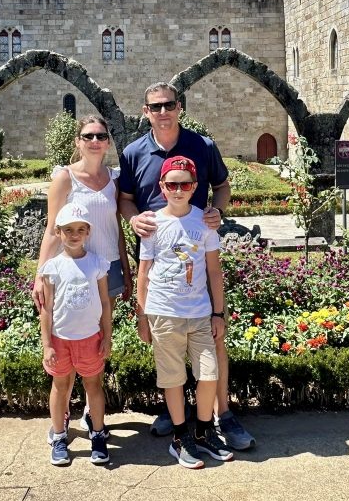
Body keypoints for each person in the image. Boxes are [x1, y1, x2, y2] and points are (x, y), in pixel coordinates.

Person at [119, 82, 256, 450]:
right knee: (168, 339)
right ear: (145, 111)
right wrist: (132, 220)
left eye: (168, 105)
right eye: (155, 106)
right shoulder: (134, 152)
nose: (162, 111)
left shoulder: (203, 146)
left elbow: (223, 187)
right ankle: (175, 413)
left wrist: (218, 210)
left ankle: (222, 414)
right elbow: (126, 199)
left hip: (198, 249)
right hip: (156, 252)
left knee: (212, 333)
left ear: (179, 107)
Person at [33, 115, 131, 441]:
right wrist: (39, 276)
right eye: (88, 135)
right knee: (67, 338)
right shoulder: (64, 178)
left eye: (100, 135)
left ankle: (91, 413)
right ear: (78, 141)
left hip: (107, 268)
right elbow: (51, 229)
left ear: (107, 141)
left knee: (95, 340)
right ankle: (62, 411)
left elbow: (117, 228)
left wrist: (127, 269)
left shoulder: (115, 178)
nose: (94, 141)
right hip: (70, 270)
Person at [136, 156, 233, 468]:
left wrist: (218, 314)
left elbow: (215, 272)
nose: (178, 190)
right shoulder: (153, 224)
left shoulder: (203, 222)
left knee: (209, 375)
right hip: (164, 314)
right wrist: (142, 316)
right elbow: (143, 273)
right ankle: (180, 437)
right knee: (173, 379)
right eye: (172, 184)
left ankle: (204, 432)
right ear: (162, 186)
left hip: (200, 315)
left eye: (186, 184)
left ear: (195, 188)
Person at [39, 202, 112, 467]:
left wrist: (107, 335)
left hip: (90, 338)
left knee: (93, 385)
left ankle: (98, 434)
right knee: (60, 386)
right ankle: (59, 436)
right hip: (61, 340)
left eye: (81, 229)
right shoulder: (53, 267)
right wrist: (47, 344)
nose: (74, 234)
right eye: (68, 229)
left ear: (88, 232)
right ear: (58, 232)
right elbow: (46, 309)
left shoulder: (97, 264)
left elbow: (104, 303)